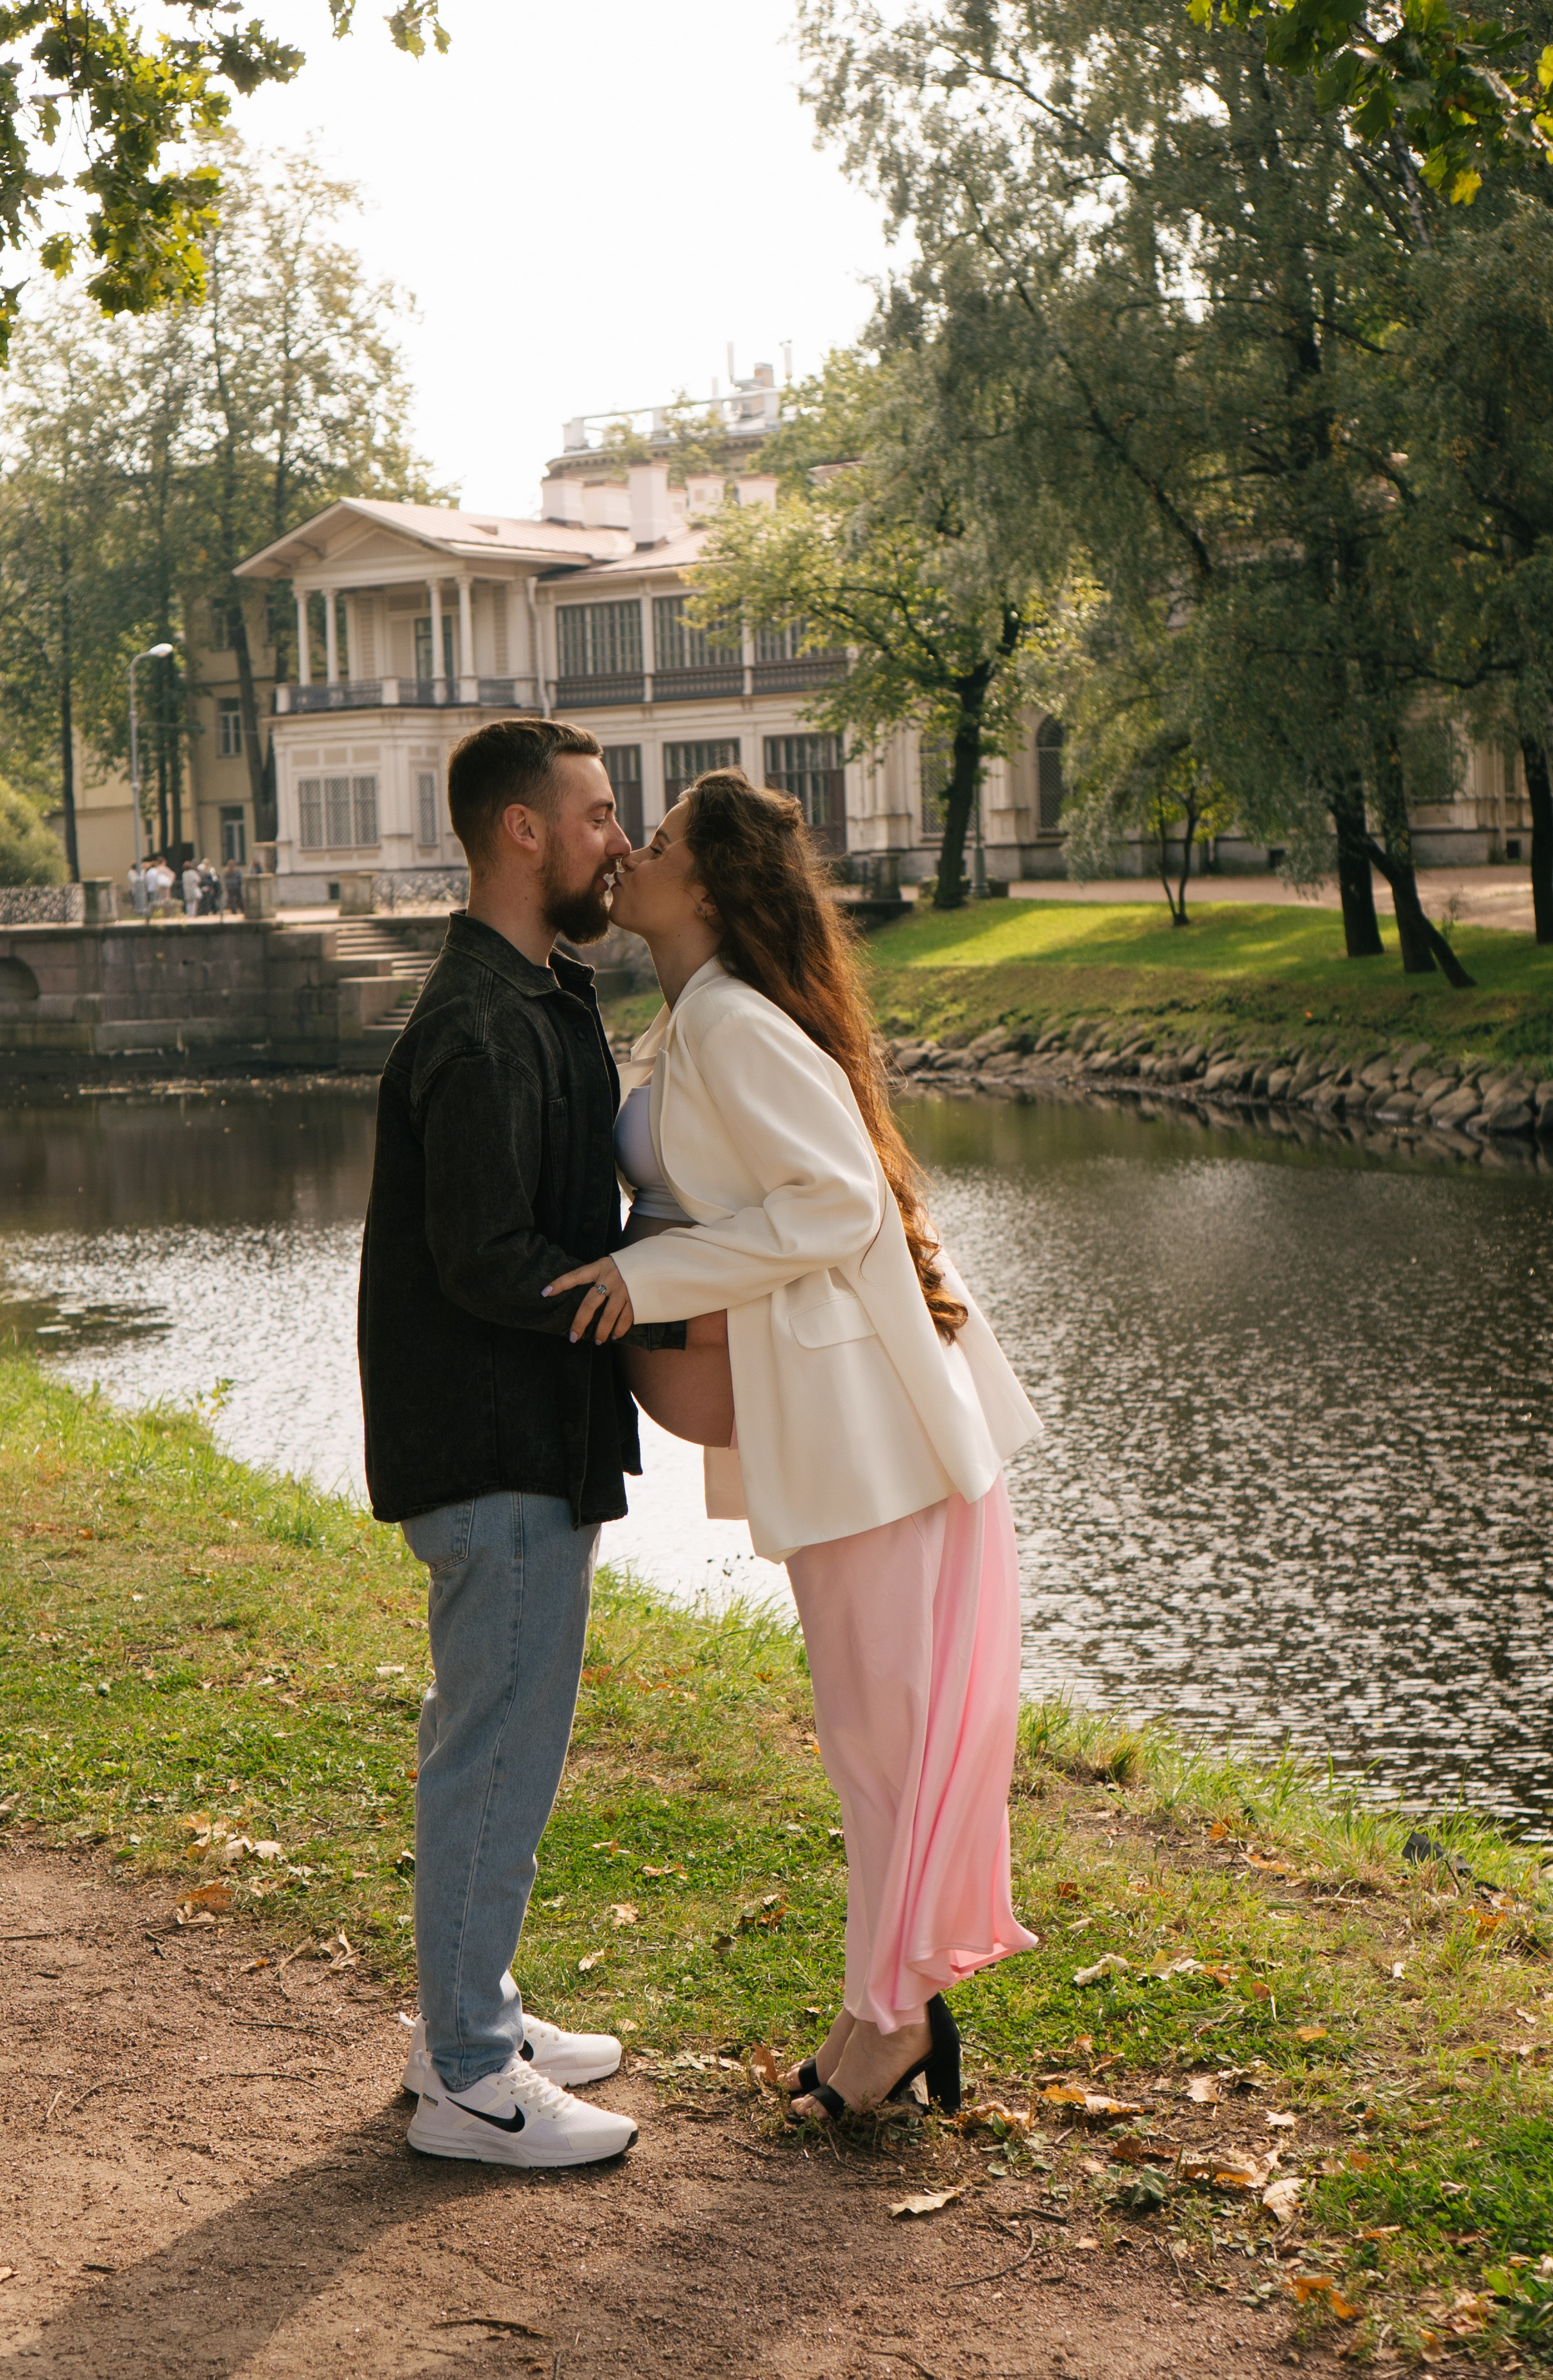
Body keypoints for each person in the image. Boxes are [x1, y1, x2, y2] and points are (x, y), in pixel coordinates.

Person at [547, 770, 1042, 2121]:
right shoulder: (698, 1017)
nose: (628, 854)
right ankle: (882, 2009)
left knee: (879, 1741)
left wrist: (646, 1282)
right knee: (870, 1741)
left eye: (650, 843)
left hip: (870, 1433)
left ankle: (886, 2024)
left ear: (701, 889)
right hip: (842, 1432)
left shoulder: (729, 1026)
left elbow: (830, 1206)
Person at [358, 716, 687, 2172]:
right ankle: (471, 2082)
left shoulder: (538, 994)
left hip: (531, 1436)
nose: (621, 839)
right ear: (522, 833)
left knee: (503, 1738)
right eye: (602, 814)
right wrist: (652, 1284)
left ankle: (465, 2015)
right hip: (491, 1448)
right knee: (491, 1749)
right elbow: (490, 1259)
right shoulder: (484, 1024)